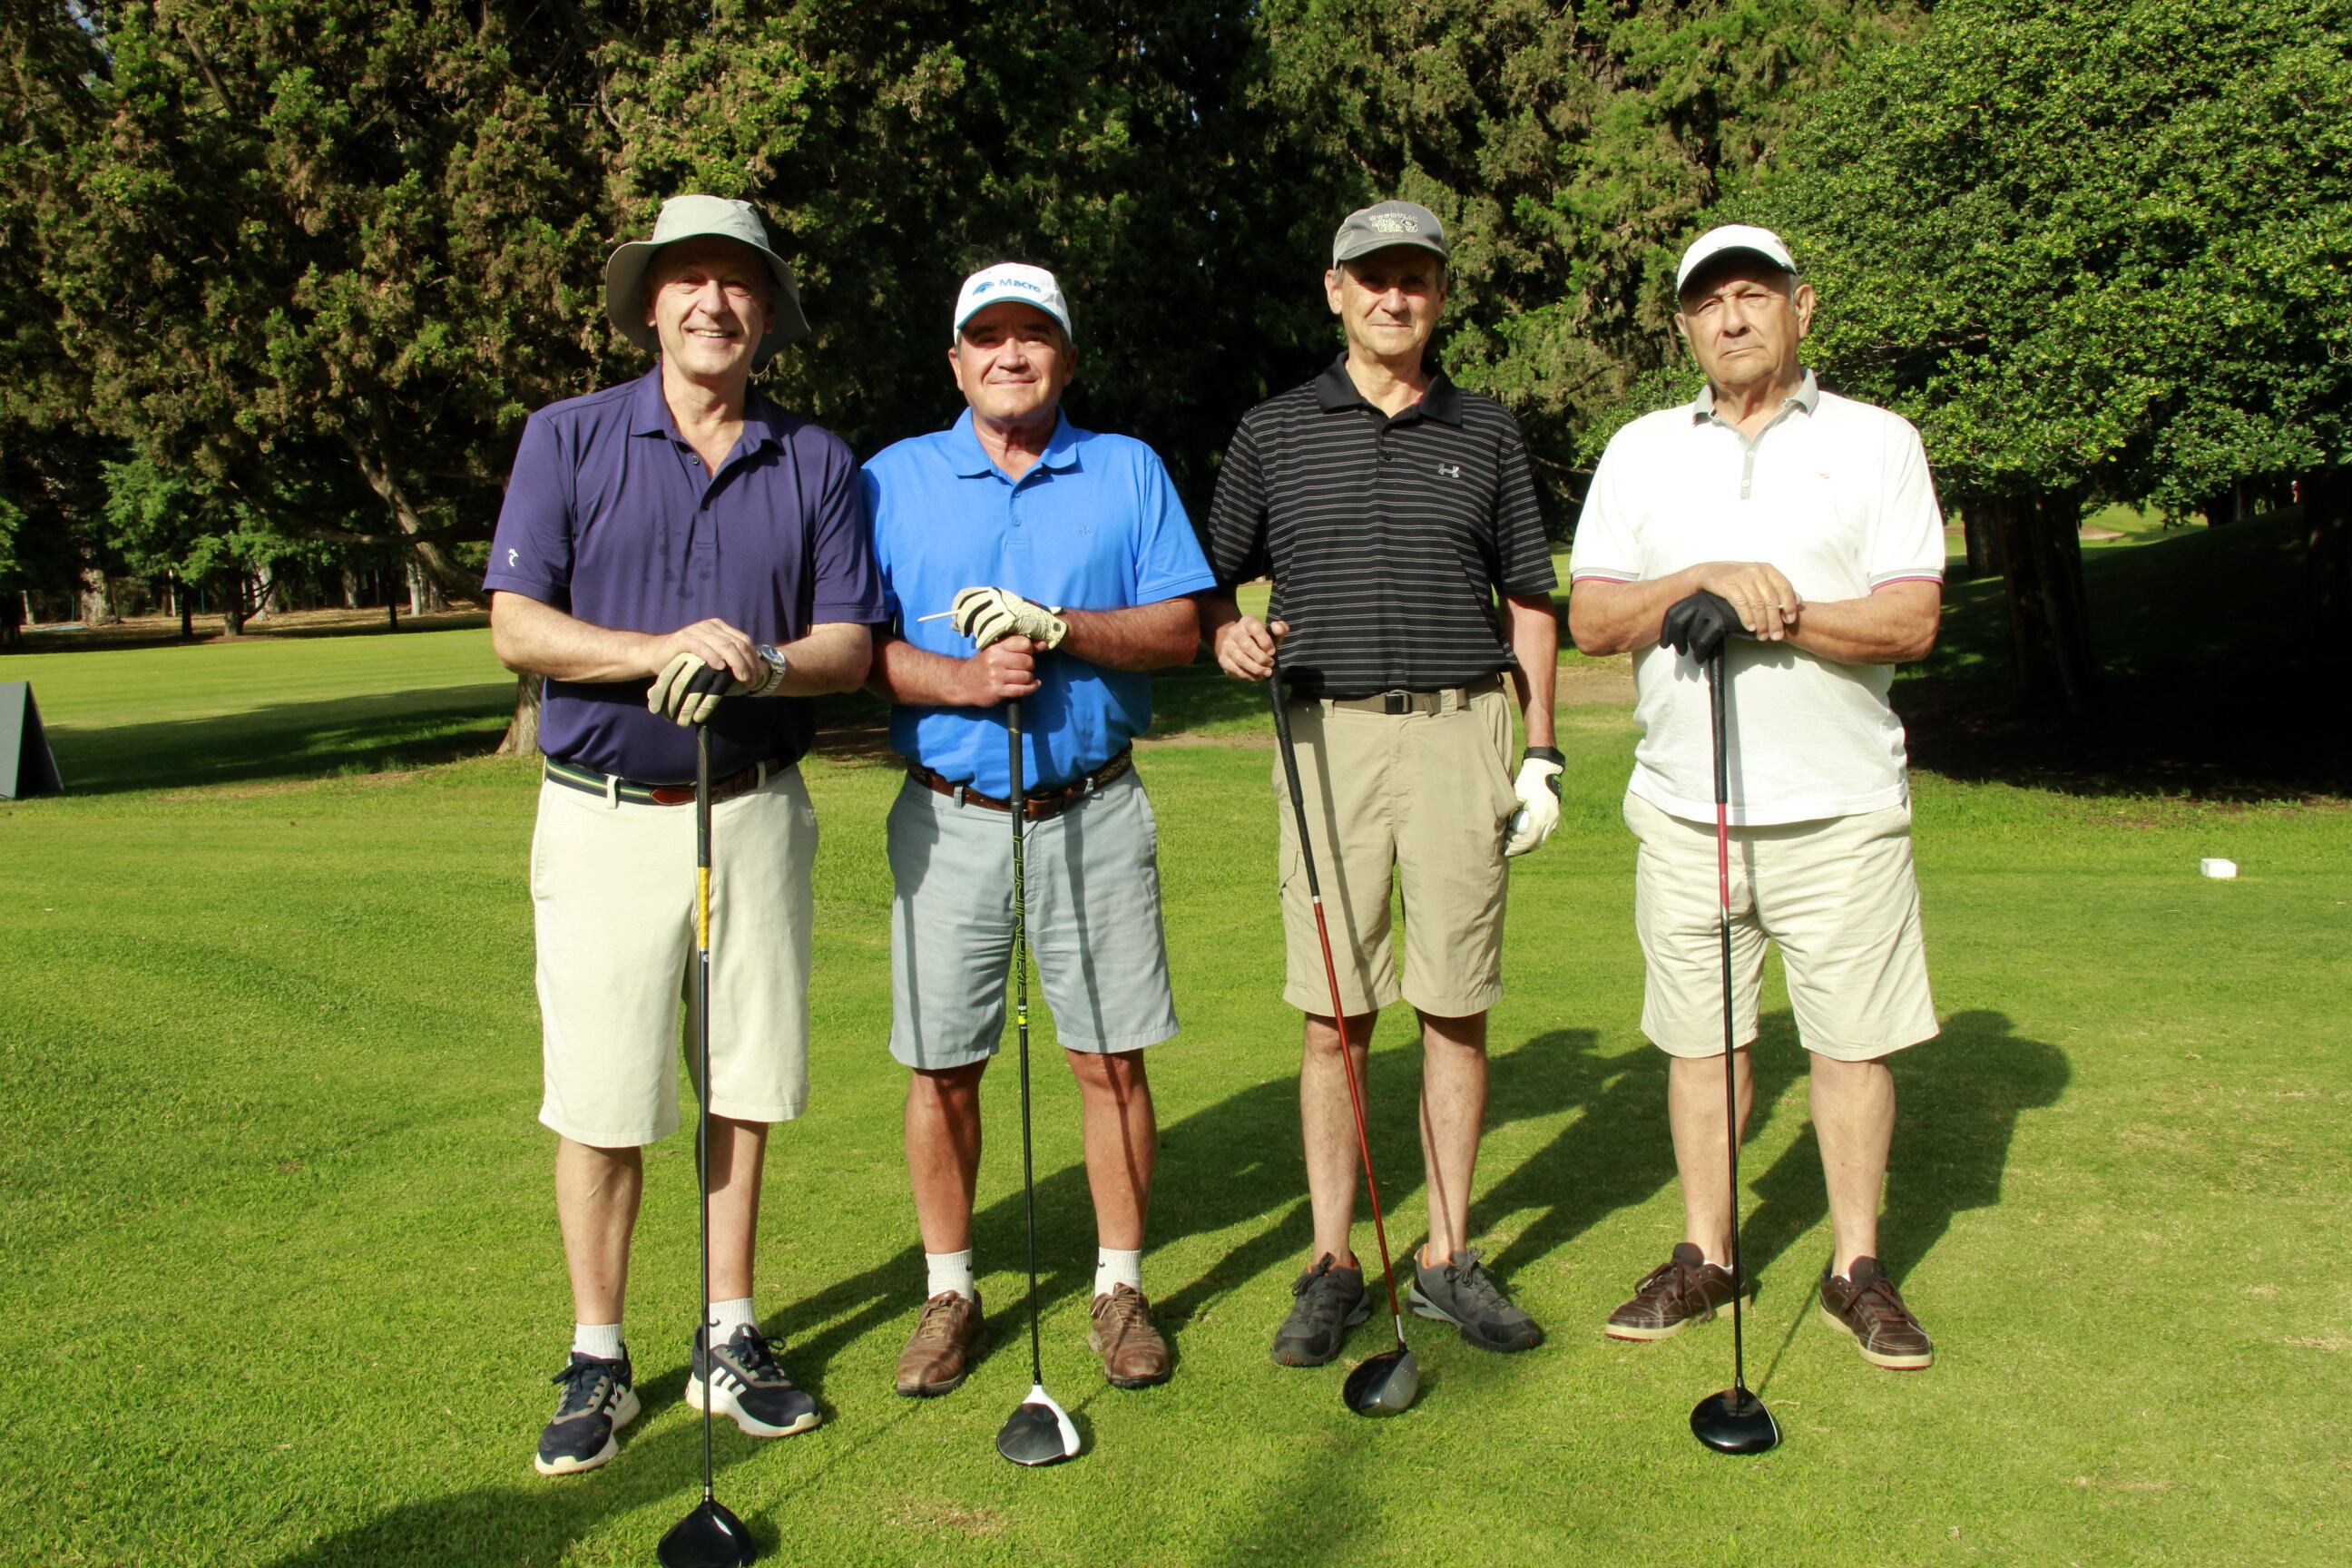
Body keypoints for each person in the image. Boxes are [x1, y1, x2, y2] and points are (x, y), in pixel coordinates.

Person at [485, 194, 886, 1475]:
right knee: (602, 1098)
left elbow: (847, 646)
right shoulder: (567, 437)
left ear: (764, 314)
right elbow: (518, 627)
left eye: (739, 283)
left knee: (742, 1087)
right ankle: (598, 1354)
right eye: (689, 281)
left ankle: (728, 1332)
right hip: (605, 820)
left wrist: (758, 665)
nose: (714, 302)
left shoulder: (814, 459)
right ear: (650, 303)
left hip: (755, 813)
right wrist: (660, 650)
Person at [1566, 223, 1944, 1369]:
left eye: (1754, 296)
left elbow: (1913, 619)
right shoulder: (1639, 450)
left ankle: (1857, 1266)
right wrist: (1699, 579)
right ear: (1684, 325)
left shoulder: (1879, 444)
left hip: (1839, 808)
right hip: (1688, 808)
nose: (1731, 318)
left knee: (1851, 1044)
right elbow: (1590, 619)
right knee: (1701, 1043)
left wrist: (1775, 611)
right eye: (1708, 303)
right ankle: (1708, 1253)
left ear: (1801, 308)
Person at [1202, 201, 1563, 1364]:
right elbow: (1208, 582)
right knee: (1336, 1013)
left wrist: (1543, 747)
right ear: (1335, 290)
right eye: (1373, 278)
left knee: (1455, 1001)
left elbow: (1530, 600)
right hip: (1327, 737)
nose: (1394, 296)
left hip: (1465, 730)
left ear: (1440, 295)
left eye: (1415, 277)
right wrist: (1226, 635)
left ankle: (1449, 1253)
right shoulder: (1273, 429)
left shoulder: (1488, 429)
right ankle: (1333, 1261)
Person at [862, 262, 1216, 1397]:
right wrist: (958, 682)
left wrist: (1057, 627)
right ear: (955, 360)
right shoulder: (890, 481)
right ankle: (950, 1290)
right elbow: (849, 645)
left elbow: (1178, 631)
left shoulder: (1126, 469)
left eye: (1033, 336)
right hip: (949, 815)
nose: (1010, 355)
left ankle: (1119, 1286)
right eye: (988, 338)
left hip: (1093, 807)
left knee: (1108, 1058)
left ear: (1065, 354)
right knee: (942, 1064)